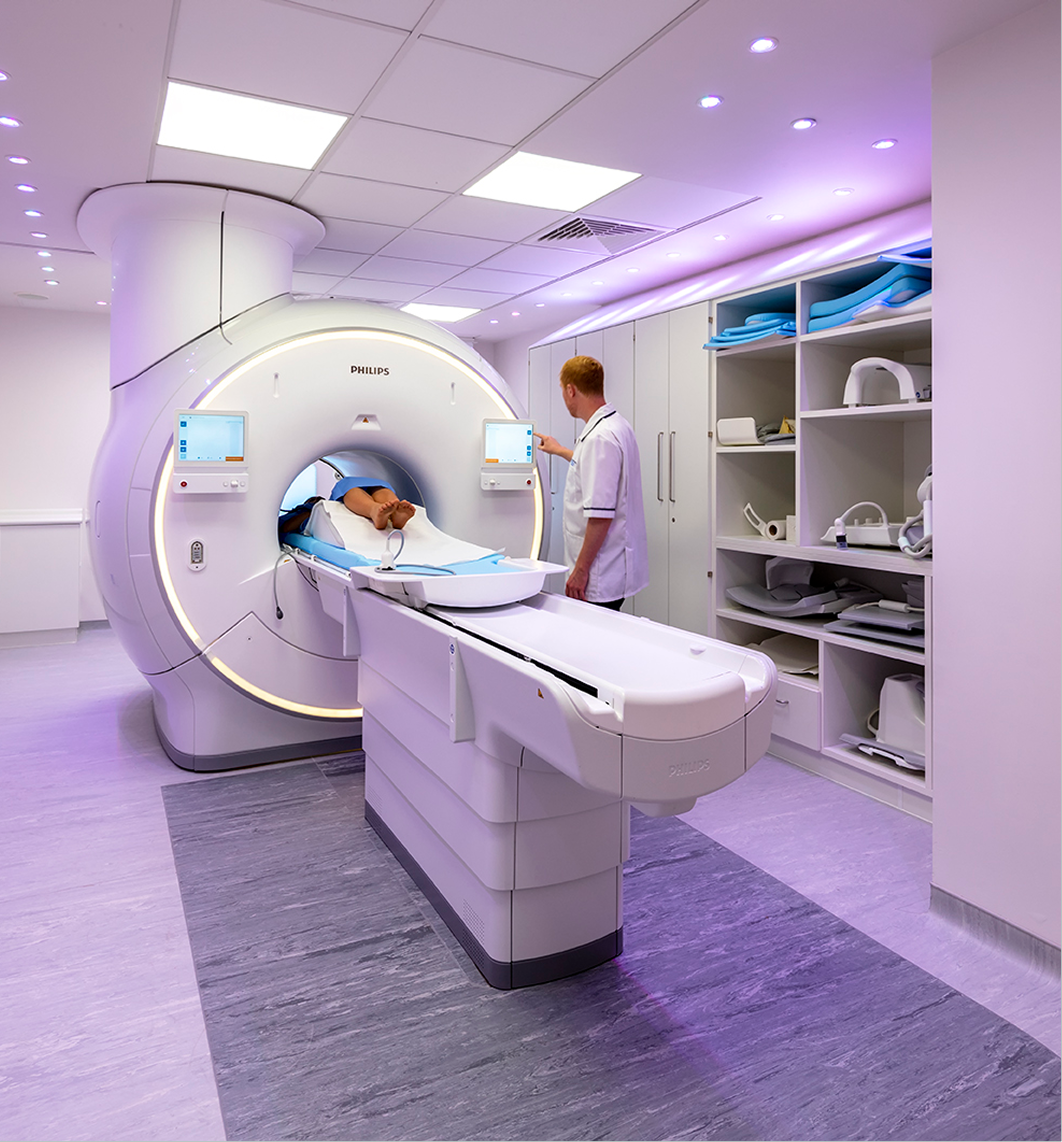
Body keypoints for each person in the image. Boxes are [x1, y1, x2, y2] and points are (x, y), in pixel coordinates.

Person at [535, 355, 648, 609]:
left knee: (594, 644)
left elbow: (601, 516)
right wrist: (561, 450)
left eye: (563, 392)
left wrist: (581, 571)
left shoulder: (600, 438)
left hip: (598, 575)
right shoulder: (617, 425)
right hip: (610, 569)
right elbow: (596, 471)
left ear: (570, 390)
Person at [277, 476, 415, 536]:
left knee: (377, 486)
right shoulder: (302, 511)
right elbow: (285, 528)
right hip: (327, 515)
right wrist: (312, 509)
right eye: (312, 499)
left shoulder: (332, 503)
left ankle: (393, 512)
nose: (317, 497)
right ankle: (375, 510)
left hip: (343, 505)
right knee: (346, 485)